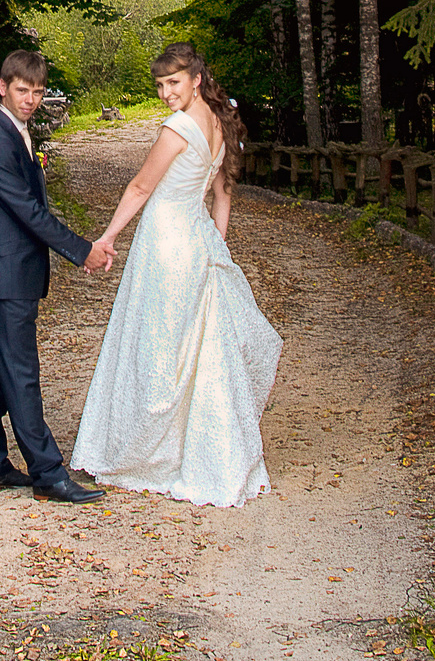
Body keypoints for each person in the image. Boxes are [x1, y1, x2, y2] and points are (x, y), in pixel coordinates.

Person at [71, 43, 283, 507]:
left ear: (196, 79)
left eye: (174, 82)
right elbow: (222, 197)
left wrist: (105, 238)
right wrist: (215, 245)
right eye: (161, 85)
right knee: (197, 347)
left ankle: (151, 453)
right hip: (197, 240)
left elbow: (141, 186)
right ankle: (198, 450)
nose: (167, 92)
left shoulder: (179, 127)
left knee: (159, 343)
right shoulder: (223, 125)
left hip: (166, 244)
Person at [0, 50, 108, 503]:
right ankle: (47, 472)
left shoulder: (16, 133)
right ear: (3, 87)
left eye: (38, 91)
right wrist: (81, 250)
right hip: (4, 275)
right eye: (22, 90)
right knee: (21, 373)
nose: (30, 99)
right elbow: (28, 213)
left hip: (10, 273)